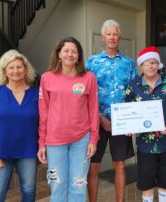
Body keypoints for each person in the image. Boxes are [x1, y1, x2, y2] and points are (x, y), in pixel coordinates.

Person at [37, 36, 99, 202]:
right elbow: (44, 112)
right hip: (54, 141)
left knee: (78, 186)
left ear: (79, 55)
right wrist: (42, 142)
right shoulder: (46, 78)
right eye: (66, 50)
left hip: (82, 140)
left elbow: (93, 110)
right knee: (57, 185)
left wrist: (93, 138)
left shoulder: (89, 78)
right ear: (58, 54)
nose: (70, 54)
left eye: (74, 51)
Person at [125, 46, 166, 202]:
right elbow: (126, 111)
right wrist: (128, 127)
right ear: (141, 66)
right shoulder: (134, 86)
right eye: (147, 63)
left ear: (158, 64)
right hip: (146, 143)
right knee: (146, 182)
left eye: (153, 62)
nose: (151, 66)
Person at [86, 19, 137, 202]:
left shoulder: (129, 64)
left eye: (115, 34)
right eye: (108, 34)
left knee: (120, 165)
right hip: (96, 122)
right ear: (102, 37)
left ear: (119, 37)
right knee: (93, 166)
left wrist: (132, 120)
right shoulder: (92, 63)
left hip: (122, 123)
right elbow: (86, 94)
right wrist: (99, 118)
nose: (112, 37)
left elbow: (134, 93)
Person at [0, 50, 38, 202]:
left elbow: (44, 123)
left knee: (28, 191)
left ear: (26, 70)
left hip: (28, 150)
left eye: (19, 67)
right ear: (5, 71)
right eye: (11, 67)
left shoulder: (36, 95)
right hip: (1, 151)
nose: (15, 71)